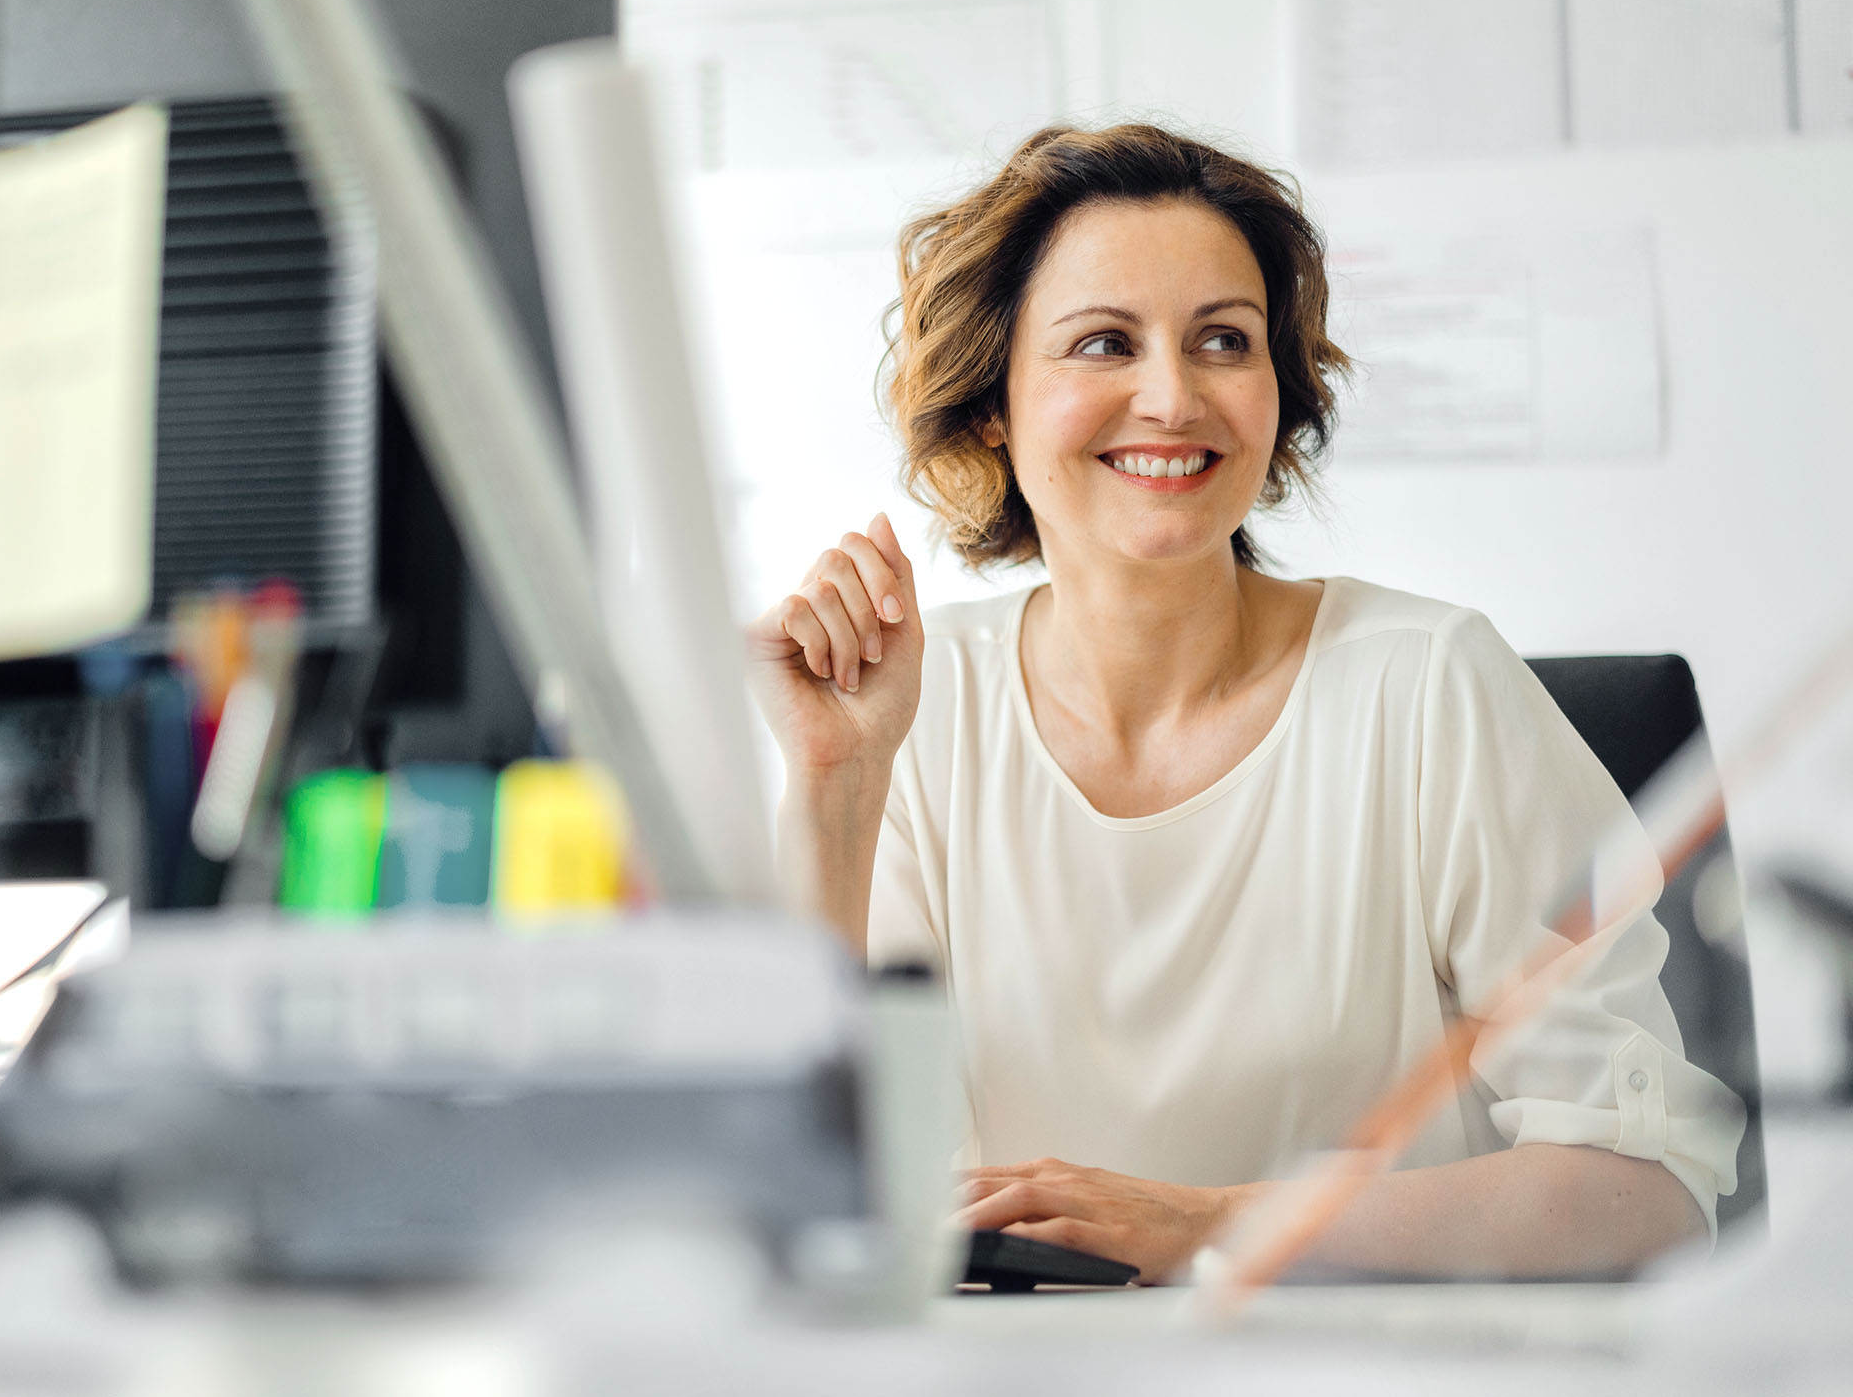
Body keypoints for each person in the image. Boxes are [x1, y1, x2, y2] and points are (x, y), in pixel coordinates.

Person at [746, 124, 1743, 1284]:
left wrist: (1218, 1225)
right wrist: (833, 787)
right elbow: (796, 1196)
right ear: (992, 409)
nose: (1171, 396)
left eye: (1224, 340)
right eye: (1103, 343)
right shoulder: (919, 713)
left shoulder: (1429, 688)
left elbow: (1649, 1194)